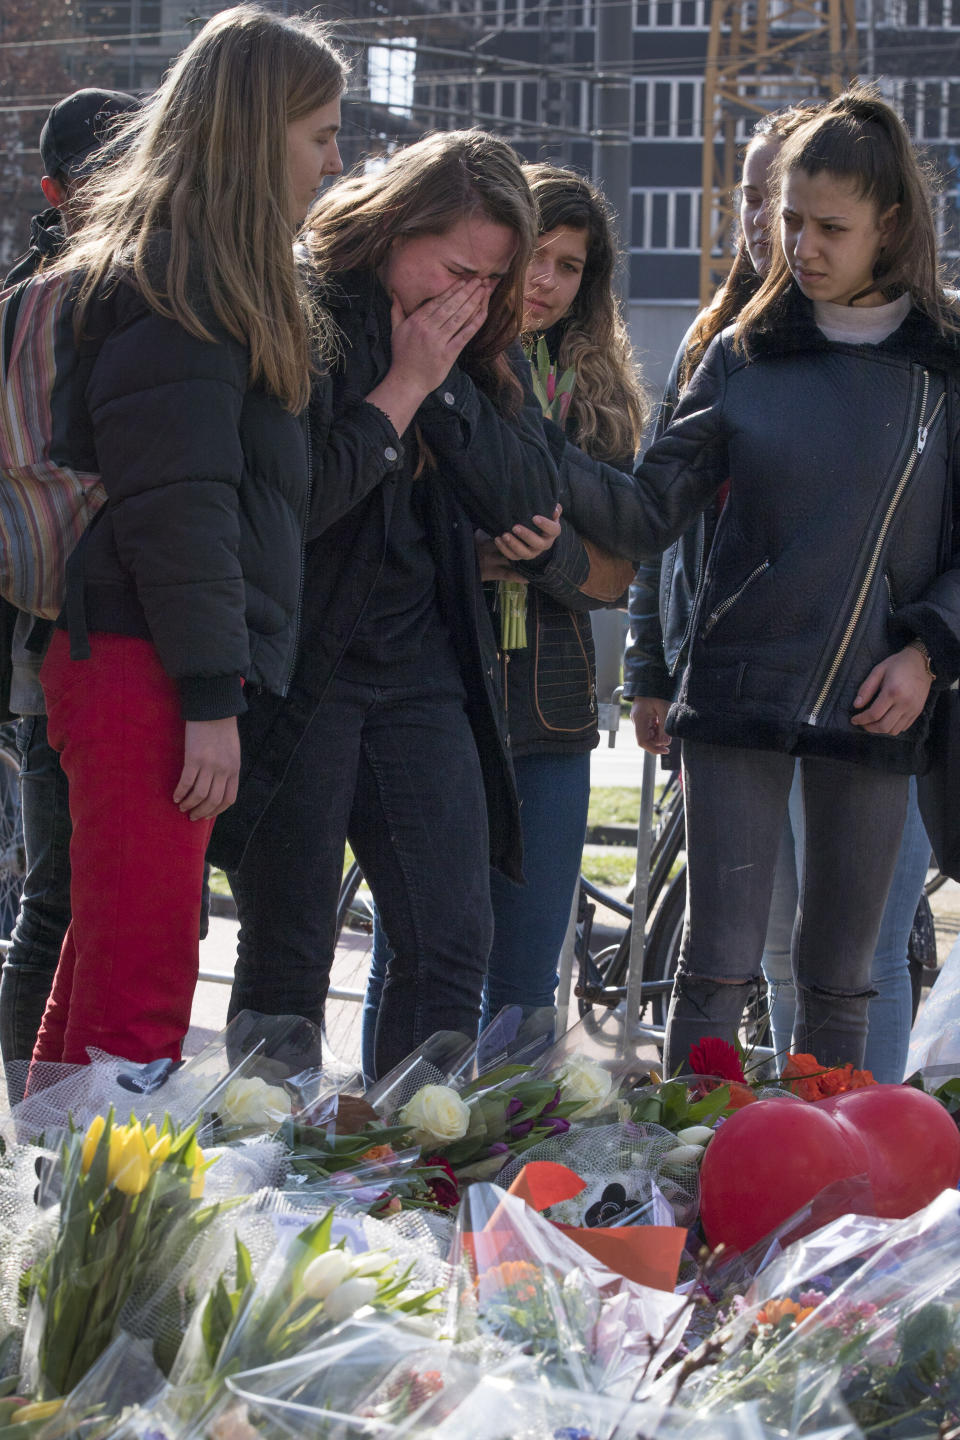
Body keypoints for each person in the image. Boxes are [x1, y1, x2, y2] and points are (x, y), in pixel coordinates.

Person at [613, 86, 960, 1074]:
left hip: (877, 701)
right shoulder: (741, 351)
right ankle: (695, 1178)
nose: (799, 246)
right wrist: (533, 488)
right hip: (736, 696)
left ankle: (836, 1203)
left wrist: (929, 654)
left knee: (844, 976)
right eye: (787, 221)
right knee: (714, 967)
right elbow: (648, 511)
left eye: (829, 228)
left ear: (889, 226)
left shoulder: (946, 366)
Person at [27, 4, 347, 1069]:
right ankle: (105, 1227)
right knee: (141, 994)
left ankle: (53, 1215)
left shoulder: (187, 271)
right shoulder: (185, 283)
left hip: (131, 651)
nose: (334, 160)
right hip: (142, 663)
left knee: (108, 967)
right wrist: (211, 697)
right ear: (259, 135)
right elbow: (182, 505)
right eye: (320, 134)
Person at [211, 131, 563, 1081]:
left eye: (491, 280)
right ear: (394, 228)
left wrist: (440, 379)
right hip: (304, 672)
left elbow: (530, 494)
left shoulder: (476, 347)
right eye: (455, 269)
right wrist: (402, 387)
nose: (469, 299)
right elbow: (297, 507)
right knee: (290, 946)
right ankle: (266, 1181)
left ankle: (410, 1179)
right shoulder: (307, 308)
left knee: (452, 939)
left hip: (421, 674)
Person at [357, 165, 647, 1078]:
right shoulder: (435, 358)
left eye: (571, 266)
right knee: (418, 951)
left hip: (552, 712)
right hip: (435, 681)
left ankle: (502, 1173)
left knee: (524, 983)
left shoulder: (594, 395)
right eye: (537, 256)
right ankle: (387, 1143)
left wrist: (545, 558)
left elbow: (619, 574)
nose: (546, 283)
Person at [0, 88, 141, 1086]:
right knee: (56, 896)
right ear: (56, 193)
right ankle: (25, 1136)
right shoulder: (36, 297)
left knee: (94, 896)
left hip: (122, 628)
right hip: (53, 634)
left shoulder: (162, 287)